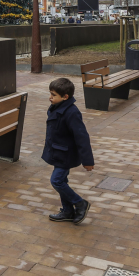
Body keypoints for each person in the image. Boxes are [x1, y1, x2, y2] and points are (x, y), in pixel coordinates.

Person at [42, 77, 94, 224]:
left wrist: (87, 161)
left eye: (53, 95)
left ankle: (80, 203)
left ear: (65, 97)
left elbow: (82, 137)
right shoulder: (57, 107)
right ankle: (68, 211)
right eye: (50, 93)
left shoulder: (72, 112)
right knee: (62, 181)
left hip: (65, 154)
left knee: (56, 181)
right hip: (57, 152)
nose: (50, 97)